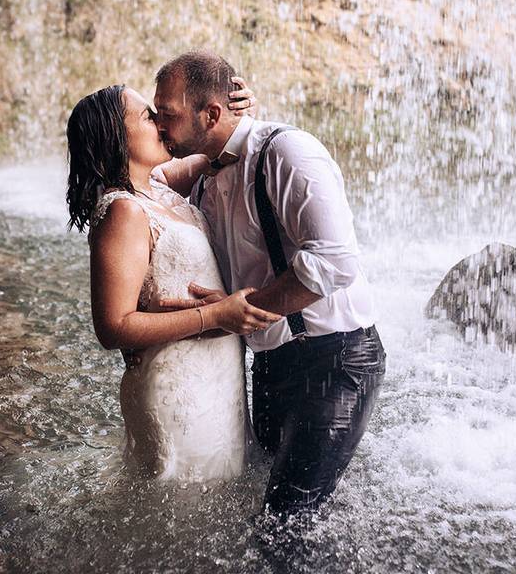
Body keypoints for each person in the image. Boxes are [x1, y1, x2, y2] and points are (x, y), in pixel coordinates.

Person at [154, 51, 386, 517]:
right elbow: (138, 180)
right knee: (264, 500)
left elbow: (335, 260)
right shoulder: (201, 174)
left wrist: (246, 308)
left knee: (286, 524)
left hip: (335, 360)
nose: (159, 126)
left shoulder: (287, 151)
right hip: (269, 364)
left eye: (169, 116)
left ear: (212, 113)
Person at [65, 81, 281, 481]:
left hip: (214, 373)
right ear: (116, 135)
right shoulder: (123, 212)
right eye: (149, 116)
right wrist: (216, 316)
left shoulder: (159, 187)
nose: (162, 123)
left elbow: (219, 146)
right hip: (176, 386)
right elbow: (113, 327)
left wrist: (237, 111)